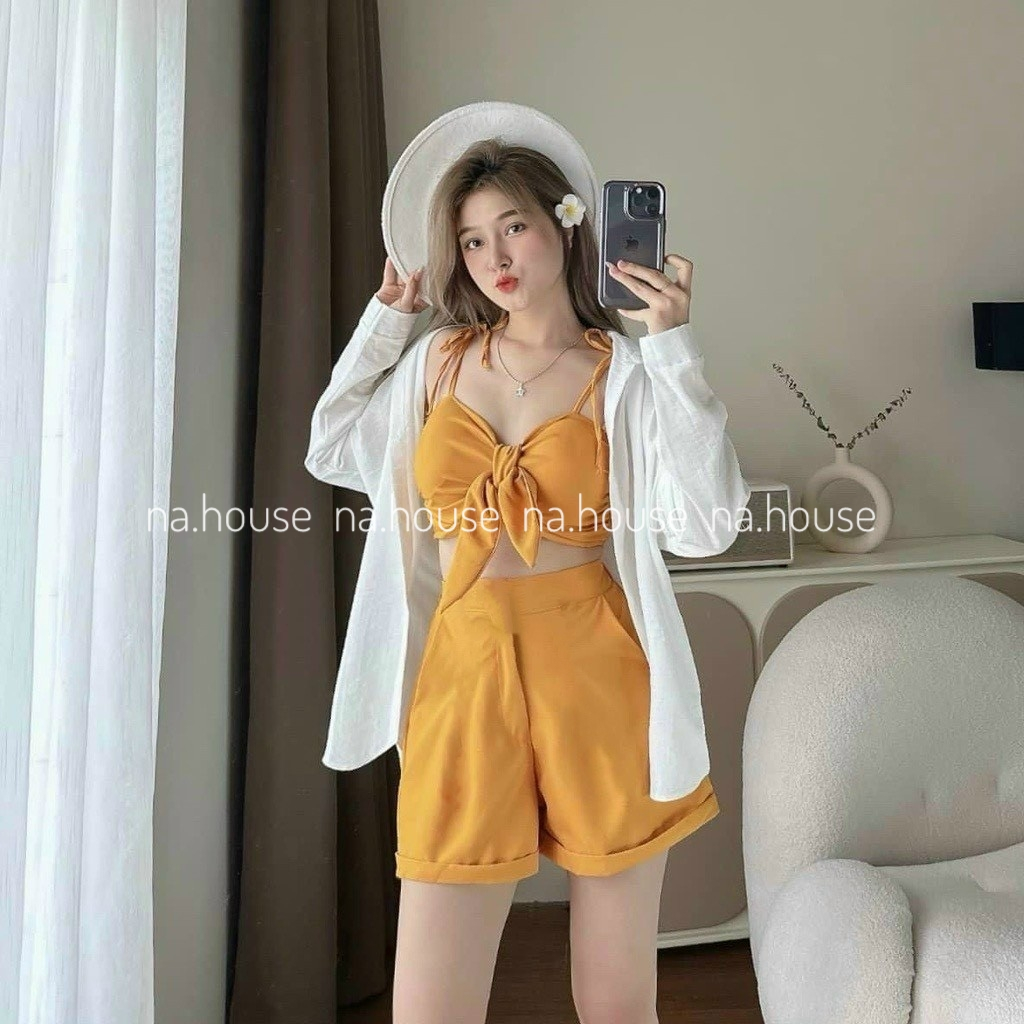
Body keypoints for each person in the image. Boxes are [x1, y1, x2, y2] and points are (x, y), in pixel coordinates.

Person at [304, 102, 751, 1024]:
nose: (495, 257)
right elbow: (332, 446)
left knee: (615, 1004)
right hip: (463, 674)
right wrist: (385, 323)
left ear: (567, 223)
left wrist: (672, 349)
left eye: (513, 227)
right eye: (472, 242)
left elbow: (708, 526)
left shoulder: (622, 374)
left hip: (597, 674)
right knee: (428, 1008)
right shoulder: (435, 361)